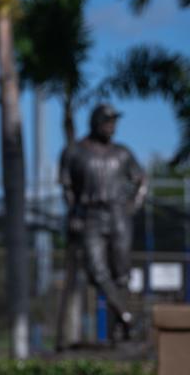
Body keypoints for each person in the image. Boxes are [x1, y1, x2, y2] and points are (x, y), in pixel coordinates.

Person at [58, 103, 147, 342]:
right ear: (95, 122)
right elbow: (67, 189)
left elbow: (141, 180)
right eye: (107, 121)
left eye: (114, 122)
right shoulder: (75, 151)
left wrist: (132, 206)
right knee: (96, 271)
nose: (111, 126)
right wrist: (74, 214)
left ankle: (119, 332)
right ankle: (127, 315)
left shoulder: (122, 153)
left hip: (118, 215)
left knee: (122, 274)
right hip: (90, 216)